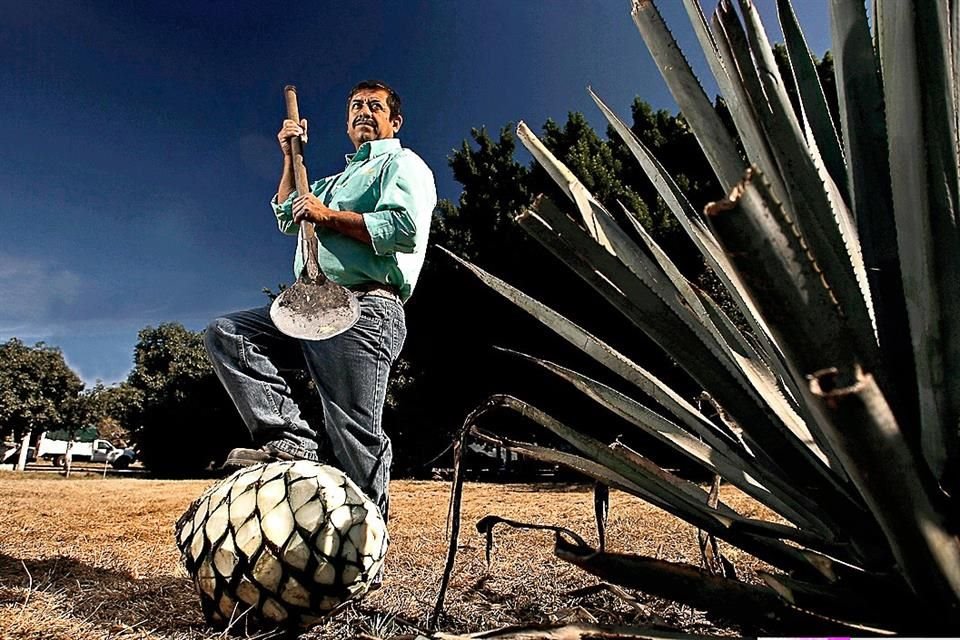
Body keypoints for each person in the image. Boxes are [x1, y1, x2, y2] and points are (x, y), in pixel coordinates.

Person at [204, 80, 437, 522]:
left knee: (353, 431)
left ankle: (366, 538)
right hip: (311, 304)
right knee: (229, 333)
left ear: (395, 121)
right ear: (347, 121)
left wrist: (325, 215)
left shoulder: (402, 164)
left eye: (374, 106)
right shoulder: (329, 182)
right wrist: (289, 155)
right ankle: (292, 441)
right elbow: (286, 214)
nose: (363, 111)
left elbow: (402, 228)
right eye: (355, 106)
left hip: (365, 307)